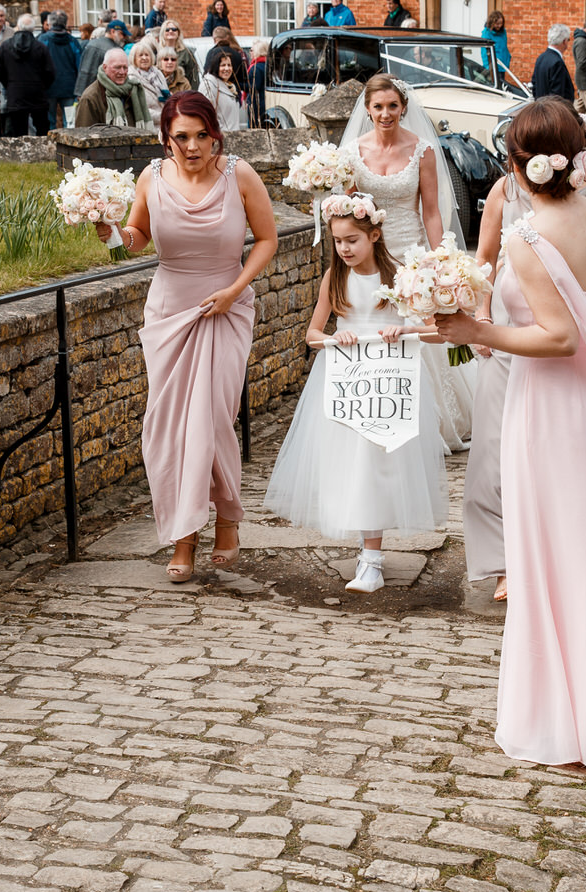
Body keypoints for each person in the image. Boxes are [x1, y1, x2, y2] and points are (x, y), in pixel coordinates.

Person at [433, 98, 586, 771]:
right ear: (578, 157)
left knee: (552, 559)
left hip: (547, 411)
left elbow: (559, 335)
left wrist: (477, 330)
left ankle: (568, 722)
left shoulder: (528, 238)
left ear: (517, 165)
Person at [89, 92, 277, 580]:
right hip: (170, 310)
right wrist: (109, 233)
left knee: (213, 419)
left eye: (201, 136)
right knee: (168, 428)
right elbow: (135, 238)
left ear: (214, 132)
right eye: (181, 137)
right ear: (165, 138)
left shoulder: (240, 174)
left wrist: (235, 289)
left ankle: (227, 520)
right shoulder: (151, 177)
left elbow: (269, 240)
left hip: (225, 307)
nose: (192, 147)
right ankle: (183, 533)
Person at [265, 194, 447, 594]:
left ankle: (372, 559)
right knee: (353, 465)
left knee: (380, 465)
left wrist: (404, 329)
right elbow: (312, 335)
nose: (344, 249)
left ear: (374, 235)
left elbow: (435, 330)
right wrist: (334, 335)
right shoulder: (336, 277)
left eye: (352, 240)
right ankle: (368, 553)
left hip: (389, 379)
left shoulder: (398, 274)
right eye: (338, 241)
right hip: (348, 380)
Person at [467, 125, 586, 603]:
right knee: (493, 462)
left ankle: (554, 568)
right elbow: (484, 257)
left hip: (550, 362)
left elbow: (569, 330)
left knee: (557, 475)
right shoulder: (509, 193)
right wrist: (482, 313)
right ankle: (508, 563)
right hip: (530, 352)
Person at [341, 73, 475, 452]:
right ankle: (375, 409)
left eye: (393, 106)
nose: (386, 114)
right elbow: (348, 212)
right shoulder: (353, 152)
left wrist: (439, 263)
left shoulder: (422, 151)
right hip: (369, 256)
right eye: (378, 107)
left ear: (404, 107)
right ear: (368, 110)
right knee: (376, 330)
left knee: (416, 334)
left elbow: (431, 211)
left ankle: (425, 419)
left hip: (411, 252)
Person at [0, 13, 55, 135]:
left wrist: (9, 84)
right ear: (33, 28)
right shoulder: (41, 48)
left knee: (18, 134)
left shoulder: (6, 47)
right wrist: (42, 86)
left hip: (15, 94)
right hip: (37, 94)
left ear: (18, 26)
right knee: (42, 132)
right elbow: (50, 72)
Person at [74, 48, 151, 127]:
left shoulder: (133, 90)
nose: (122, 72)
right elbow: (84, 134)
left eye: (125, 67)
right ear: (105, 67)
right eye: (117, 67)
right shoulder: (90, 98)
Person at [42, 12, 82, 129]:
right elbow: (79, 64)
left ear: (49, 24)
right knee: (70, 123)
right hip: (69, 87)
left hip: (48, 87)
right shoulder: (72, 41)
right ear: (65, 23)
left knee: (50, 123)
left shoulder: (43, 40)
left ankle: (51, 146)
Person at [75, 18, 126, 95]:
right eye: (123, 34)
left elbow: (83, 70)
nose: (124, 37)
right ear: (112, 32)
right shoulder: (114, 50)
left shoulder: (91, 44)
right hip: (103, 92)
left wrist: (80, 92)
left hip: (86, 91)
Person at [200, 48, 242, 130]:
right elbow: (206, 114)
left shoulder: (230, 86)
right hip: (221, 137)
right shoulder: (209, 84)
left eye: (229, 65)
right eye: (223, 65)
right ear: (216, 66)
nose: (227, 69)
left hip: (233, 136)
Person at [533, 24, 576, 102]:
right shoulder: (557, 62)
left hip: (541, 106)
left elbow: (535, 85)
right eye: (568, 40)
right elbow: (558, 94)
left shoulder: (541, 58)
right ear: (564, 41)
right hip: (554, 109)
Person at [129, 38, 170, 112]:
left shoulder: (158, 73)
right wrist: (162, 116)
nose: (144, 58)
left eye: (147, 55)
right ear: (134, 59)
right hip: (149, 121)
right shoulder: (132, 78)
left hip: (165, 118)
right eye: (140, 55)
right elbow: (139, 107)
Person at [160, 20, 201, 87]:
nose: (170, 31)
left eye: (174, 29)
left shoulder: (187, 53)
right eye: (167, 30)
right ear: (162, 33)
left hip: (182, 91)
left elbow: (194, 78)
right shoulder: (157, 52)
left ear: (178, 33)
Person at [246, 39, 268, 127]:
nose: (250, 52)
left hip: (256, 105)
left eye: (251, 50)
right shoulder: (268, 65)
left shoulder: (256, 68)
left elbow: (253, 88)